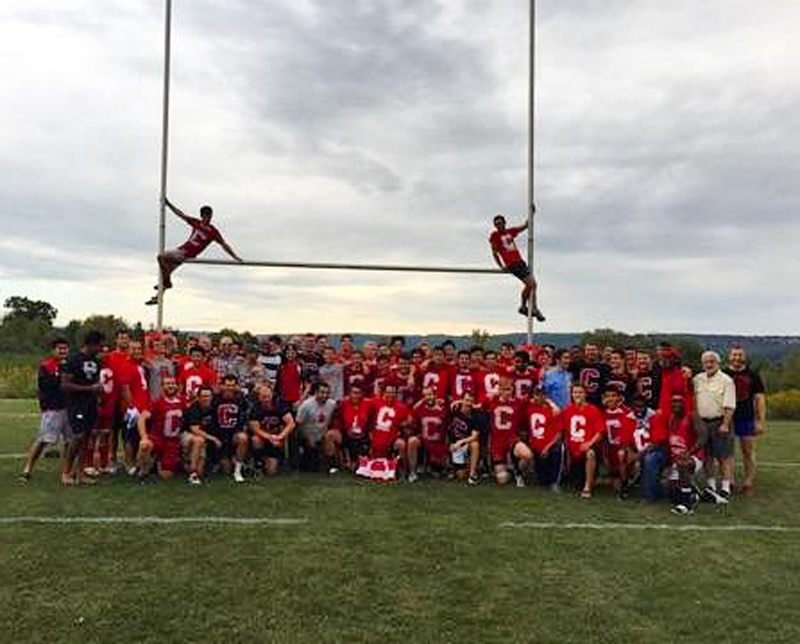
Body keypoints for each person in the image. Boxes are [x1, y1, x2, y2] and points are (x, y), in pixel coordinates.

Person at [146, 198, 243, 305]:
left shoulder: (213, 232)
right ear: (202, 216)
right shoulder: (196, 222)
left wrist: (235, 257)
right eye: (206, 216)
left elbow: (224, 245)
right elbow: (181, 215)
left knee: (161, 257)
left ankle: (167, 283)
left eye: (209, 216)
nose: (208, 218)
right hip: (181, 250)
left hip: (186, 254)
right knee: (165, 270)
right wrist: (168, 204)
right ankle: (159, 296)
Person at [20, 338, 71, 482]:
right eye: (60, 348)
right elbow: (46, 386)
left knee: (70, 440)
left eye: (65, 348)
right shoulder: (46, 366)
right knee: (44, 440)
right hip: (53, 409)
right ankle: (28, 468)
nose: (63, 351)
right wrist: (60, 377)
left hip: (69, 408)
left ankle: (66, 471)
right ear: (53, 350)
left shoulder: (70, 365)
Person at [60, 330, 105, 485]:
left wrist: (98, 393)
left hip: (91, 404)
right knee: (77, 436)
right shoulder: (73, 360)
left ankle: (80, 473)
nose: (101, 348)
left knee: (87, 437)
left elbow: (95, 381)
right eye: (99, 345)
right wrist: (89, 389)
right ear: (91, 344)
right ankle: (66, 472)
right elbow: (65, 385)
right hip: (75, 404)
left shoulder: (97, 361)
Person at [693, 351, 737, 504]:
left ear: (718, 363)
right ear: (702, 363)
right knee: (707, 456)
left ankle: (725, 487)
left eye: (712, 361)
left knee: (723, 456)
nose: (709, 364)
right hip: (702, 424)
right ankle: (711, 485)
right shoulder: (697, 379)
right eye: (706, 362)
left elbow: (730, 406)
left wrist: (725, 424)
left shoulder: (726, 380)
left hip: (720, 422)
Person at [724, 345, 766, 496]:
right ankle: (730, 481)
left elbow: (760, 399)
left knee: (748, 452)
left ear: (744, 357)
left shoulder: (753, 375)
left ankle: (748, 483)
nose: (737, 358)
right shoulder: (723, 374)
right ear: (729, 356)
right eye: (734, 355)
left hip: (747, 418)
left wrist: (760, 421)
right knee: (728, 452)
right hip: (727, 419)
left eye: (740, 355)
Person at [489, 212, 545, 321]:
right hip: (512, 264)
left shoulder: (510, 231)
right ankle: (530, 308)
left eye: (500, 223)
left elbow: (525, 226)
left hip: (520, 261)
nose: (498, 226)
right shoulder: (494, 236)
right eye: (496, 224)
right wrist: (501, 265)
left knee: (532, 285)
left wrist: (531, 213)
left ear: (504, 223)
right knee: (531, 284)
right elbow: (494, 252)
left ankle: (528, 307)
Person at [136, 375, 185, 481]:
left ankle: (157, 461)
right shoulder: (157, 402)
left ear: (176, 386)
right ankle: (143, 473)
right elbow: (141, 418)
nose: (171, 386)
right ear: (162, 386)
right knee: (144, 445)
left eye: (173, 383)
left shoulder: (182, 401)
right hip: (157, 438)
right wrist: (144, 437)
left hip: (172, 442)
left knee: (166, 476)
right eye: (167, 384)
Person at [561, 384, 604, 499]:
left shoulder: (593, 410)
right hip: (574, 451)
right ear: (571, 394)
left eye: (580, 392)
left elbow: (600, 432)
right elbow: (563, 431)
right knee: (576, 483)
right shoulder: (567, 410)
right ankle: (601, 480)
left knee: (590, 453)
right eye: (575, 392)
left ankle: (587, 487)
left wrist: (589, 443)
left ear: (585, 394)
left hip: (587, 449)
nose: (577, 395)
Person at [248, 383, 295, 476]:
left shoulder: (279, 405)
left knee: (271, 472)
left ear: (272, 394)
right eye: (263, 396)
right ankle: (258, 463)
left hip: (277, 438)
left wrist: (280, 437)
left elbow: (291, 423)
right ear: (259, 397)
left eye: (268, 396)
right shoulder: (255, 408)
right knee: (255, 440)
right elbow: (255, 429)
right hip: (263, 437)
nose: (266, 399)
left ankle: (275, 461)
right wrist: (270, 437)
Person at [522, 386, 563, 490]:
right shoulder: (529, 407)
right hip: (535, 446)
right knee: (541, 481)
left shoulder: (553, 411)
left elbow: (559, 433)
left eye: (541, 395)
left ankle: (554, 482)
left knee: (557, 449)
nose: (538, 397)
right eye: (536, 394)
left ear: (546, 396)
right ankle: (523, 475)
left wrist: (547, 447)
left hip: (549, 445)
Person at [210, 374, 250, 483]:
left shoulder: (241, 399)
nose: (230, 388)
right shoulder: (215, 399)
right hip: (220, 436)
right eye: (227, 385)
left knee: (243, 438)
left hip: (234, 435)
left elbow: (248, 414)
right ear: (222, 386)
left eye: (232, 385)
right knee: (226, 470)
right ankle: (221, 461)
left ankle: (238, 470)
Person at [328, 383, 375, 472]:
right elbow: (337, 419)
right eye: (354, 393)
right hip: (347, 435)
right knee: (330, 435)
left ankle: (356, 462)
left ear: (362, 394)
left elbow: (372, 422)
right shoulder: (343, 404)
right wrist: (337, 429)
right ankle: (334, 464)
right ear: (349, 393)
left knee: (356, 468)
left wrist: (371, 436)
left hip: (362, 437)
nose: (356, 396)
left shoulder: (368, 405)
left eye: (358, 393)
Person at [410, 386, 449, 482]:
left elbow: (448, 428)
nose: (428, 397)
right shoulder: (419, 409)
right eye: (425, 395)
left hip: (439, 443)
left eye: (430, 394)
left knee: (441, 469)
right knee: (412, 441)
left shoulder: (443, 408)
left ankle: (438, 466)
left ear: (435, 395)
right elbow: (412, 422)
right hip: (425, 441)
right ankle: (413, 472)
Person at [295, 383, 337, 471]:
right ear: (316, 392)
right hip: (307, 436)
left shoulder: (332, 404)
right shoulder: (306, 405)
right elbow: (298, 424)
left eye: (327, 393)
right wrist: (306, 438)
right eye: (322, 392)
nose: (325, 395)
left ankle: (330, 464)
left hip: (322, 435)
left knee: (330, 436)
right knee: (311, 467)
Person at [182, 385, 217, 485]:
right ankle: (192, 474)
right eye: (204, 396)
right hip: (187, 434)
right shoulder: (194, 408)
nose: (206, 398)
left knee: (200, 471)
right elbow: (195, 429)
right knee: (199, 440)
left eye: (208, 396)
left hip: (202, 435)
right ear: (198, 397)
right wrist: (213, 439)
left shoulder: (212, 407)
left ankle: (186, 465)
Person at [448, 392, 482, 485]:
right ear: (461, 400)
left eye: (471, 401)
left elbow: (475, 436)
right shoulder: (454, 409)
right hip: (454, 444)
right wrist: (451, 443)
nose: (468, 403)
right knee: (460, 475)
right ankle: (470, 466)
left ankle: (472, 474)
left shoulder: (476, 415)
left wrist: (461, 442)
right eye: (466, 400)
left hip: (466, 443)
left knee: (475, 444)